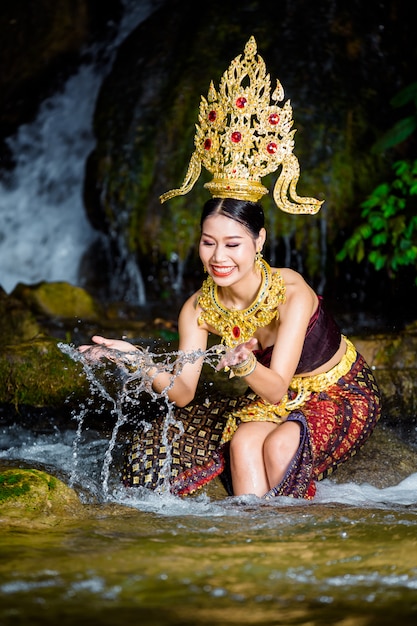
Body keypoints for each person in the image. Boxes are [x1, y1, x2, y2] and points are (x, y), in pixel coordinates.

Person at [79, 37, 381, 500]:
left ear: (259, 240)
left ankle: (298, 554)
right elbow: (182, 393)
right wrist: (137, 362)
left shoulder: (290, 292)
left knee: (280, 445)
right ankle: (254, 551)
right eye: (208, 242)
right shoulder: (198, 309)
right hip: (265, 400)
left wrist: (242, 366)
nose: (219, 256)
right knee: (242, 444)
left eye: (233, 243)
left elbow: (277, 388)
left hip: (333, 391)